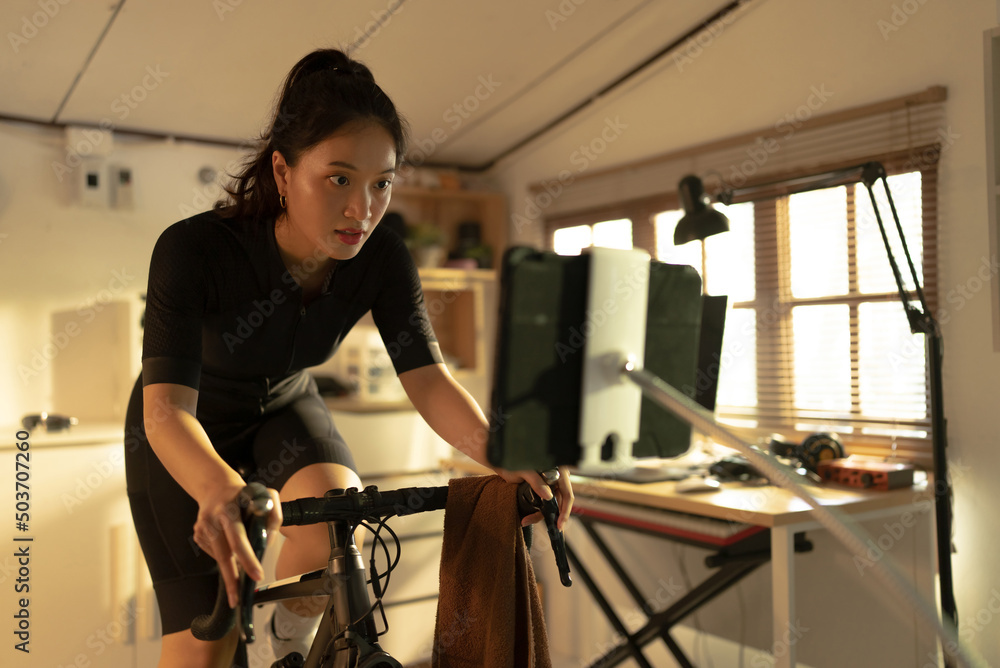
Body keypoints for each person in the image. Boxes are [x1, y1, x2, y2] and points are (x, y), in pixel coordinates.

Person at [123, 47, 574, 668]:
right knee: (206, 644)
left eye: (381, 184)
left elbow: (429, 379)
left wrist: (505, 451)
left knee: (335, 516)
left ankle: (288, 643)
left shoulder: (383, 258)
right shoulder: (193, 249)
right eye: (339, 178)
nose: (362, 209)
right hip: (184, 425)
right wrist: (221, 489)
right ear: (282, 174)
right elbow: (167, 410)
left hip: (284, 402)